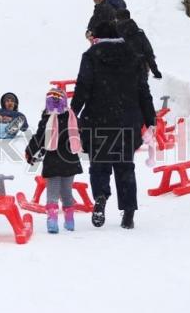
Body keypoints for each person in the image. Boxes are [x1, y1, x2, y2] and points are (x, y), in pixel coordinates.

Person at [70, 21, 156, 230]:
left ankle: (100, 196)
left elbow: (83, 86)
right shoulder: (134, 56)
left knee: (99, 163)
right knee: (125, 166)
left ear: (98, 36)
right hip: (127, 119)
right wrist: (150, 120)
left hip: (98, 118)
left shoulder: (91, 56)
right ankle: (128, 212)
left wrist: (73, 112)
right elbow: (143, 91)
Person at [25, 88, 83, 233]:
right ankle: (69, 221)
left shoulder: (47, 119)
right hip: (70, 161)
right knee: (66, 192)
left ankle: (52, 222)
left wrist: (30, 151)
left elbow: (39, 138)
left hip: (53, 161)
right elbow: (82, 133)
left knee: (52, 193)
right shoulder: (72, 117)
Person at [115, 9, 162, 80]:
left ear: (117, 19)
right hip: (140, 68)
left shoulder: (115, 33)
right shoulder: (139, 32)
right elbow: (148, 52)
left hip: (121, 70)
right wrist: (155, 71)